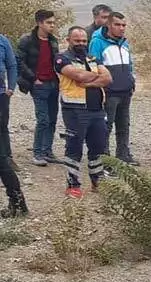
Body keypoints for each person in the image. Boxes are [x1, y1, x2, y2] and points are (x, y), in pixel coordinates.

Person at [55, 26, 111, 197]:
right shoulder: (61, 58)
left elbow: (108, 78)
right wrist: (94, 77)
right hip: (75, 110)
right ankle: (73, 185)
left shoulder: (92, 57)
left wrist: (89, 81)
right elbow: (76, 76)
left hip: (97, 110)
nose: (81, 43)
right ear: (68, 40)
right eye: (77, 40)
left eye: (84, 41)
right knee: (74, 147)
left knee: (98, 147)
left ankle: (97, 181)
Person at [89, 10, 137, 166]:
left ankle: (123, 155)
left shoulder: (125, 42)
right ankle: (106, 159)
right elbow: (93, 65)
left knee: (124, 125)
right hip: (109, 92)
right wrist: (100, 86)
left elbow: (130, 64)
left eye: (124, 25)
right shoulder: (97, 42)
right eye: (117, 24)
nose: (121, 28)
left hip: (125, 91)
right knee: (106, 126)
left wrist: (132, 80)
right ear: (109, 25)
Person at [16, 10, 59, 166]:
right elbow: (19, 61)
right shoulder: (27, 40)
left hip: (54, 84)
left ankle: (47, 151)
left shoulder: (53, 41)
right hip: (39, 84)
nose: (52, 25)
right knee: (43, 120)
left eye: (53, 22)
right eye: (49, 22)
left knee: (53, 119)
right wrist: (34, 79)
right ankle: (37, 153)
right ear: (39, 23)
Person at [0, 31, 28, 217]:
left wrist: (10, 88)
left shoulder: (3, 41)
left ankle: (18, 203)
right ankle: (18, 203)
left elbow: (11, 65)